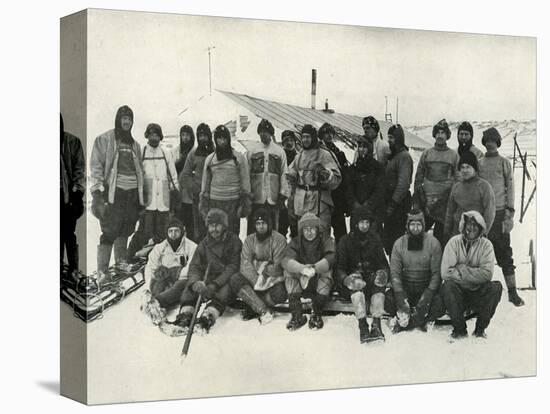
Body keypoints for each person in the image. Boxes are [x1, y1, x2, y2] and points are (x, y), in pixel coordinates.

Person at [90, 105, 144, 277]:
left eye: (129, 118)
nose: (126, 122)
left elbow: (140, 171)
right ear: (118, 119)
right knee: (109, 230)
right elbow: (96, 166)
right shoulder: (105, 139)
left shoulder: (135, 145)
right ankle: (102, 270)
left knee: (126, 228)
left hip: (132, 193)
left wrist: (142, 197)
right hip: (114, 193)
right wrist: (98, 192)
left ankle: (120, 263)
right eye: (124, 118)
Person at [174, 209, 242, 334]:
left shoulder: (234, 241)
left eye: (217, 225)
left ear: (224, 226)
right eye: (211, 225)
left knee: (224, 293)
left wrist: (215, 284)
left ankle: (208, 317)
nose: (214, 229)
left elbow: (233, 267)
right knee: (189, 289)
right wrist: (195, 282)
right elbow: (195, 265)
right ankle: (185, 315)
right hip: (208, 277)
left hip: (224, 280)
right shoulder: (204, 243)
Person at [479, 127, 524, 306]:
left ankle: (512, 292)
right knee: (481, 254)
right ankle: (481, 293)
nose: (490, 144)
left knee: (504, 253)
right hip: (484, 216)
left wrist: (509, 212)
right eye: (487, 140)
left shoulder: (504, 162)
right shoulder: (480, 163)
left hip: (500, 215)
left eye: (493, 140)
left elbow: (510, 188)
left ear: (497, 143)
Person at [441, 211, 503, 339]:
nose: (472, 228)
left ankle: (480, 330)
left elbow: (486, 274)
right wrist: (474, 275)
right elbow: (446, 273)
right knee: (448, 286)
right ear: (463, 226)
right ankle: (459, 330)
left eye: (476, 225)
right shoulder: (453, 243)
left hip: (478, 293)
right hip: (459, 293)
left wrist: (462, 269)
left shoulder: (487, 246)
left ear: (481, 228)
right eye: (469, 224)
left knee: (496, 287)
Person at [336, 206, 389, 343]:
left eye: (367, 222)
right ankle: (363, 325)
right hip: (353, 281)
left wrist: (382, 274)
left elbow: (383, 263)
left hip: (370, 278)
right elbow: (339, 268)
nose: (364, 226)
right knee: (357, 293)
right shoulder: (345, 241)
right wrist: (347, 280)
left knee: (378, 290)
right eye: (361, 223)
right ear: (355, 224)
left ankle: (377, 324)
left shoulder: (375, 239)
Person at [387, 209, 445, 333]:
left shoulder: (433, 243)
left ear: (423, 226)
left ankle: (418, 320)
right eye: (412, 224)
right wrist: (401, 297)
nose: (415, 228)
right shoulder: (399, 244)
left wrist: (428, 295)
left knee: (440, 302)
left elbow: (436, 274)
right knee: (388, 298)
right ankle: (411, 317)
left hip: (425, 288)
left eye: (418, 224)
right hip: (406, 287)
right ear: (407, 226)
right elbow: (395, 273)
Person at [230, 208, 288, 324]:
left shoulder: (279, 239)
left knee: (281, 292)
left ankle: (253, 305)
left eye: (264, 223)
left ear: (269, 224)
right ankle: (262, 310)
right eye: (258, 224)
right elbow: (245, 264)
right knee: (235, 279)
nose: (261, 227)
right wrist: (257, 281)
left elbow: (277, 266)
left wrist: (261, 268)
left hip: (272, 282)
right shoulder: (249, 240)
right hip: (255, 282)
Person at [282, 213, 335, 331]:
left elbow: (331, 257)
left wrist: (314, 269)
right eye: (306, 229)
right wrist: (302, 269)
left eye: (312, 229)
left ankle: (316, 313)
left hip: (318, 284)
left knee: (327, 272)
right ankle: (297, 315)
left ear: (317, 229)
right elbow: (286, 260)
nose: (309, 232)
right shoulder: (296, 242)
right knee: (288, 272)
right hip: (302, 283)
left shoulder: (326, 240)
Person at [286, 125, 341, 235]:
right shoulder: (299, 156)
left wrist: (326, 175)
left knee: (322, 236)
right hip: (302, 204)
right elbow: (289, 176)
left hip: (319, 203)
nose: (305, 140)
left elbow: (337, 178)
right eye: (304, 137)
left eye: (308, 137)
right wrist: (291, 198)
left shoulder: (325, 154)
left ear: (314, 138)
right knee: (304, 237)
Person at [141, 218, 197, 324]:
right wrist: (149, 283)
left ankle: (158, 302)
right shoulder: (160, 247)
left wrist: (176, 273)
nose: (173, 234)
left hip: (181, 279)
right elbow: (150, 266)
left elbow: (193, 266)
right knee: (157, 283)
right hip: (165, 279)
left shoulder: (191, 246)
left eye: (176, 231)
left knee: (180, 286)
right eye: (170, 231)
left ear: (182, 232)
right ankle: (158, 310)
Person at [413, 119, 459, 247]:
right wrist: (418, 197)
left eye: (443, 133)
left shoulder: (453, 155)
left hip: (444, 205)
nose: (440, 135)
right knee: (417, 235)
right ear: (434, 134)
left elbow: (458, 179)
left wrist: (450, 197)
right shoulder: (426, 154)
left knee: (441, 239)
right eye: (437, 132)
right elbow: (418, 177)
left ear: (447, 135)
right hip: (426, 204)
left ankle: (440, 266)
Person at [200, 124, 251, 236]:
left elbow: (245, 181)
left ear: (228, 139)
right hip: (215, 202)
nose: (222, 141)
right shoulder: (210, 159)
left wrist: (244, 203)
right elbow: (205, 183)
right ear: (215, 140)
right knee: (216, 232)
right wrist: (204, 203)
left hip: (233, 202)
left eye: (224, 138)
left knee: (232, 233)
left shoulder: (239, 158)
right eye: (219, 138)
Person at [246, 119, 289, 234]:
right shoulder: (252, 151)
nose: (263, 134)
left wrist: (282, 195)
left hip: (272, 200)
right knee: (254, 230)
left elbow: (284, 174)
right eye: (260, 132)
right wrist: (247, 195)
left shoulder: (279, 152)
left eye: (266, 131)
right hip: (256, 199)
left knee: (271, 230)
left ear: (271, 133)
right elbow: (246, 175)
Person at [140, 123, 179, 246]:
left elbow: (173, 175)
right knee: (147, 232)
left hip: (164, 199)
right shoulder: (143, 152)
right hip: (148, 201)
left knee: (163, 231)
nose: (154, 137)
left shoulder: (165, 153)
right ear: (147, 135)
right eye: (151, 134)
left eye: (156, 135)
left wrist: (175, 193)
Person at [444, 151, 495, 238]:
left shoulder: (484, 187)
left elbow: (489, 212)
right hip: (457, 233)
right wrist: (447, 230)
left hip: (475, 232)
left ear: (475, 169)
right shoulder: (456, 187)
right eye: (462, 167)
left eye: (468, 167)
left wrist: (483, 233)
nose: (465, 170)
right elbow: (450, 210)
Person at [60, 114, 85, 278]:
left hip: (67, 195)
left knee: (68, 233)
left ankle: (74, 268)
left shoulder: (72, 142)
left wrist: (77, 194)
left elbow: (79, 169)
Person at [383, 124, 413, 256]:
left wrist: (392, 204)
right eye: (388, 137)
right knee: (389, 241)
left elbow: (403, 183)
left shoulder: (404, 157)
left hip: (398, 206)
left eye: (392, 137)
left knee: (397, 241)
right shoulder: (394, 156)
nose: (389, 140)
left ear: (399, 139)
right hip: (391, 202)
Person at [181, 123, 214, 242]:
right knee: (198, 230)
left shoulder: (216, 153)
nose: (202, 138)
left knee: (213, 228)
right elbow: (185, 175)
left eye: (205, 135)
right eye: (200, 136)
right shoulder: (193, 153)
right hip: (198, 198)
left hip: (214, 197)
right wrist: (195, 189)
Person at [346, 136, 386, 232]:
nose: (362, 150)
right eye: (360, 147)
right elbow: (348, 188)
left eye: (365, 147)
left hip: (373, 213)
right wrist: (355, 204)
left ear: (370, 148)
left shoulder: (378, 168)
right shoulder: (353, 168)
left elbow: (380, 189)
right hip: (356, 212)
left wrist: (368, 205)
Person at [319, 122, 349, 243]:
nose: (329, 136)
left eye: (331, 133)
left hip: (338, 196)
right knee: (324, 230)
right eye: (326, 133)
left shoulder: (339, 153)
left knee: (340, 232)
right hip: (325, 196)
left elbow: (344, 175)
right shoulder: (319, 152)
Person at [172, 124, 196, 239]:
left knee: (191, 227)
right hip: (178, 195)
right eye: (183, 135)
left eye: (187, 135)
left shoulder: (196, 152)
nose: (185, 138)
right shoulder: (175, 152)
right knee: (178, 225)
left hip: (191, 195)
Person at [278, 130, 299, 238]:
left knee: (296, 229)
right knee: (281, 229)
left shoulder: (300, 158)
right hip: (282, 198)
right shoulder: (279, 158)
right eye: (286, 140)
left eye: (291, 140)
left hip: (296, 198)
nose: (289, 143)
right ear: (282, 143)